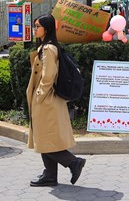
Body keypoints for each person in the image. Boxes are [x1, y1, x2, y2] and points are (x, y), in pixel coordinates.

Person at [26, 14, 86, 187]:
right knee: (46, 138)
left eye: (38, 26)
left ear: (47, 28)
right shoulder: (47, 47)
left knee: (46, 138)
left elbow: (48, 76)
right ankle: (50, 175)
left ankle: (73, 162)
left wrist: (39, 95)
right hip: (48, 99)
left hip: (46, 100)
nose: (35, 28)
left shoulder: (48, 49)